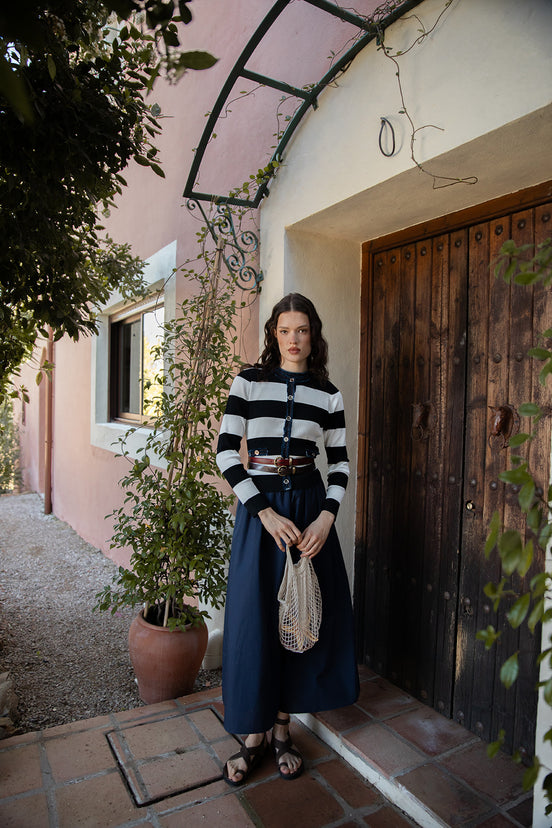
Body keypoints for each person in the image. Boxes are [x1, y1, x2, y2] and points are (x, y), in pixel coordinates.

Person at [216, 293, 359, 786]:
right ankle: (253, 735)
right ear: (273, 334)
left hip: (309, 509)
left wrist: (326, 519)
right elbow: (225, 455)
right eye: (285, 330)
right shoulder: (248, 381)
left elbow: (339, 463)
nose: (294, 340)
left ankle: (282, 730)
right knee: (256, 620)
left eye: (302, 330)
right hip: (263, 514)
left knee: (299, 617)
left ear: (313, 334)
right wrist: (264, 512)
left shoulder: (330, 393)